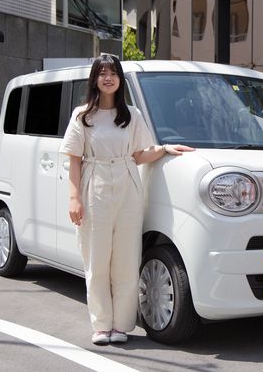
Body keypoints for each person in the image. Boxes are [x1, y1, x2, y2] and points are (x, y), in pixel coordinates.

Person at [59, 54, 193, 345]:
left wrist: (165, 149)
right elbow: (74, 160)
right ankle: (101, 324)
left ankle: (121, 325)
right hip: (94, 183)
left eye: (113, 73)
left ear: (120, 79)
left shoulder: (132, 115)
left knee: (127, 259)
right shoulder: (82, 115)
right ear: (94, 79)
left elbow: (139, 155)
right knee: (96, 259)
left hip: (127, 184)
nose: (108, 78)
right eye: (102, 73)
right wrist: (73, 198)